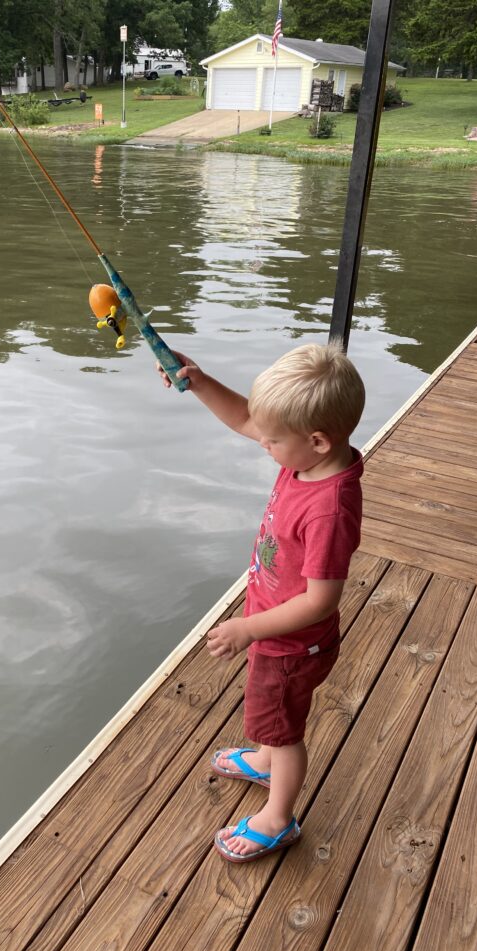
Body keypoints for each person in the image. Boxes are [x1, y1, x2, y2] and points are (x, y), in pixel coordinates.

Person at [157, 344, 365, 863]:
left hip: (290, 642)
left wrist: (250, 629)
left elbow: (321, 599)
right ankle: (267, 759)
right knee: (272, 719)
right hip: (280, 630)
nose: (262, 444)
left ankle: (278, 817)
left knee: (283, 726)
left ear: (317, 440)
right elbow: (248, 420)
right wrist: (199, 382)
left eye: (272, 441)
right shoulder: (309, 460)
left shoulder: (328, 509)